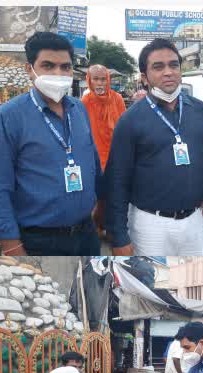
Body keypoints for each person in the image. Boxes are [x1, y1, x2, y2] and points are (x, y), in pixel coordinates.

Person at [0, 32, 106, 256]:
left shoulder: (78, 110)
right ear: (30, 69)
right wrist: (12, 247)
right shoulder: (8, 116)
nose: (58, 74)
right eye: (48, 66)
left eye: (65, 67)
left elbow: (92, 162)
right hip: (38, 240)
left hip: (86, 234)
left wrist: (100, 209)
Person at [108, 38, 203, 256]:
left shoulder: (199, 110)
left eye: (173, 65)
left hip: (195, 221)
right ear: (144, 77)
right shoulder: (130, 120)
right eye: (158, 67)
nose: (168, 72)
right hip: (151, 225)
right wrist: (119, 236)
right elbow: (117, 181)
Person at [82, 64, 126, 241]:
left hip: (115, 158)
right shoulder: (84, 103)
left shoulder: (117, 99)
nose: (99, 83)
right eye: (96, 79)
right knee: (95, 199)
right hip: (93, 160)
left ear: (108, 80)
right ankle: (95, 228)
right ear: (89, 81)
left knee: (114, 199)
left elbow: (124, 128)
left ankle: (111, 229)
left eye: (102, 79)